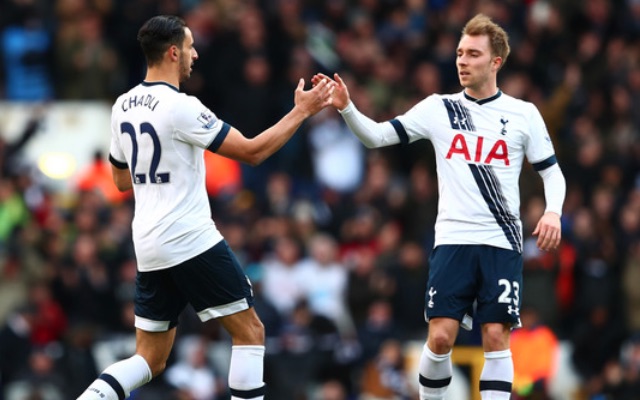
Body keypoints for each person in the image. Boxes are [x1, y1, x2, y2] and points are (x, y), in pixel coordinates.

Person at [77, 14, 334, 400]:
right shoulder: (182, 106)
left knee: (149, 358)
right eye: (191, 46)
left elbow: (118, 180)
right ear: (173, 52)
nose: (195, 55)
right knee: (250, 331)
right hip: (188, 236)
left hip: (147, 243)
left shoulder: (122, 106)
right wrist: (302, 111)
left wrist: (157, 167)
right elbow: (253, 151)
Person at [314, 13, 566, 400]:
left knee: (496, 335)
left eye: (473, 54)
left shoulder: (523, 114)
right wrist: (348, 108)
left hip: (501, 242)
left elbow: (553, 174)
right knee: (441, 337)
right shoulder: (438, 109)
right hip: (452, 240)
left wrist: (553, 211)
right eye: (460, 53)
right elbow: (378, 137)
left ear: (496, 62)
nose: (462, 61)